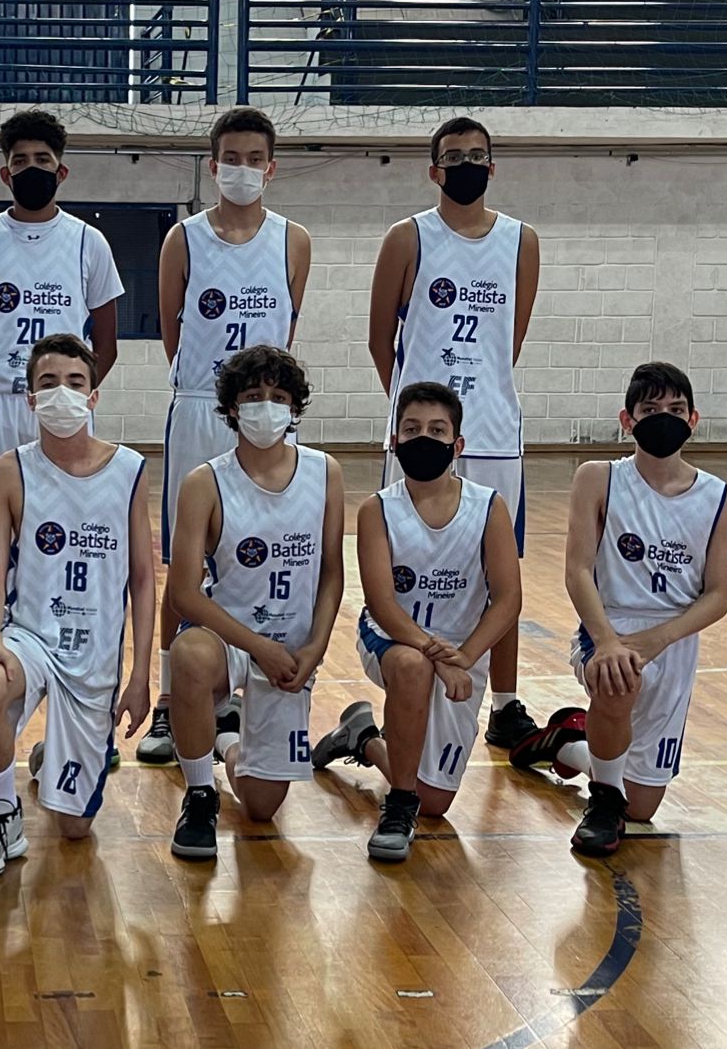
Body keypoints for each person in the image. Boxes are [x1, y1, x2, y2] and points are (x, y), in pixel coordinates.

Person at [0, 109, 125, 766]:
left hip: (67, 405)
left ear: (62, 169)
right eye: (19, 160)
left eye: (42, 160)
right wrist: (6, 388)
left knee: (75, 550)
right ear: (4, 172)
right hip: (1, 401)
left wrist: (67, 397)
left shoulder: (88, 243)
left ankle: (79, 707)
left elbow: (105, 342)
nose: (31, 169)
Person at [367, 116, 541, 752]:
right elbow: (379, 340)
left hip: (491, 431)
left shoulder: (521, 241)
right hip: (420, 436)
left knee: (501, 573)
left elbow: (509, 343)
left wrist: (476, 399)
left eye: (477, 155)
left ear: (492, 167)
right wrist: (415, 414)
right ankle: (406, 681)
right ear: (434, 169)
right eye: (453, 156)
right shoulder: (408, 236)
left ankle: (507, 703)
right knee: (407, 566)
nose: (466, 164)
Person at [144, 106, 311, 766]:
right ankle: (169, 696)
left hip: (264, 412)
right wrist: (211, 394)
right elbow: (172, 332)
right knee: (183, 564)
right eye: (231, 158)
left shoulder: (294, 240)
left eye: (254, 159)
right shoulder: (182, 239)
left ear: (271, 168)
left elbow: (286, 338)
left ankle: (238, 691)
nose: (242, 168)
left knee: (258, 553)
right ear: (213, 166)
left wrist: (259, 402)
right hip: (199, 408)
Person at [0, 334, 153, 880]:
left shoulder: (129, 469)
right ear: (30, 399)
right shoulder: (8, 471)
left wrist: (140, 675)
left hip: (94, 654)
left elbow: (142, 579)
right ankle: (2, 816)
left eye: (74, 382)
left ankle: (54, 755)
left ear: (93, 396)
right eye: (48, 383)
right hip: (32, 637)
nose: (62, 393)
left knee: (74, 827)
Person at [311, 381, 521, 863]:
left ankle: (363, 738)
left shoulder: (489, 507)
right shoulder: (377, 510)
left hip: (462, 648)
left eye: (437, 430)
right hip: (392, 638)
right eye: (412, 429)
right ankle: (398, 806)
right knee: (413, 668)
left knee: (438, 802)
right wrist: (438, 656)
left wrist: (464, 657)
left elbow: (508, 600)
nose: (424, 438)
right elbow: (382, 604)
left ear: (457, 444)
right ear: (395, 441)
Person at [164, 346, 343, 858]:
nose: (267, 405)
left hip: (291, 651)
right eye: (253, 395)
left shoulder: (325, 472)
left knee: (262, 806)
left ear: (295, 407)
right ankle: (200, 794)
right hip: (228, 639)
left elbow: (332, 572)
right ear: (232, 407)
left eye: (279, 396)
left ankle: (223, 739)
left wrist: (315, 649)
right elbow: (182, 593)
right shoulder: (204, 482)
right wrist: (257, 646)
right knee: (189, 657)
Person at [561, 362, 727, 857]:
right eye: (651, 409)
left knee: (642, 807)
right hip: (608, 622)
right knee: (620, 675)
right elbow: (577, 571)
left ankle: (568, 743)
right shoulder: (598, 478)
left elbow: (718, 595)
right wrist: (607, 641)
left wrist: (659, 639)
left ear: (693, 420)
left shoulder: (718, 497)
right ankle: (602, 803)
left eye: (676, 409)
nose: (665, 417)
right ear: (627, 420)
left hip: (674, 639)